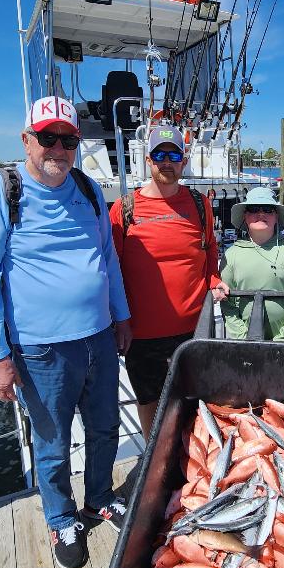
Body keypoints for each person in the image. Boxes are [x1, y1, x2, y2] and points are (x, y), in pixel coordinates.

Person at [0, 96, 131, 568]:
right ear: (26, 141)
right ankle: (60, 518)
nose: (58, 148)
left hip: (98, 338)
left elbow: (107, 260)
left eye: (69, 139)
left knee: (104, 429)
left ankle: (99, 497)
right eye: (47, 138)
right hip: (40, 350)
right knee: (54, 443)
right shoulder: (0, 193)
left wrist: (121, 317)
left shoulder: (89, 188)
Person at [109, 125, 219, 439]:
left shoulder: (200, 205)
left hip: (194, 329)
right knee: (150, 400)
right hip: (142, 334)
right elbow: (112, 268)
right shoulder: (124, 208)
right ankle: (153, 457)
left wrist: (213, 279)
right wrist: (120, 320)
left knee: (193, 399)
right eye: (160, 155)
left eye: (174, 154)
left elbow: (209, 247)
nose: (166, 162)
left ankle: (191, 461)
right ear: (148, 159)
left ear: (184, 161)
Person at [213, 185, 284, 341]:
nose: (260, 213)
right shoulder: (230, 255)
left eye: (267, 209)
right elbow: (228, 305)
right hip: (245, 344)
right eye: (253, 209)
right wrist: (244, 338)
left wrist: (283, 339)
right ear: (245, 216)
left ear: (276, 216)